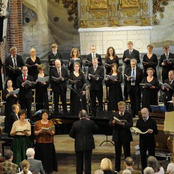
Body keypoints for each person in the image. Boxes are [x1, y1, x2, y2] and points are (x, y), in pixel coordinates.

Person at [69, 110, 98, 174]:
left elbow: (71, 134)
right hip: (88, 144)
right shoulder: (91, 123)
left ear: (79, 116)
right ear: (87, 115)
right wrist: (89, 120)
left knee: (79, 161)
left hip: (79, 144)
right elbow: (96, 129)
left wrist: (77, 137)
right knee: (88, 160)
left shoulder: (75, 124)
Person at [109, 101, 133, 172]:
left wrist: (124, 124)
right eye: (120, 108)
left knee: (127, 153)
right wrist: (113, 123)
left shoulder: (128, 114)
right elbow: (109, 123)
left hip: (126, 136)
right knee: (117, 153)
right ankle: (117, 169)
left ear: (125, 107)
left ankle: (128, 168)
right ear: (118, 108)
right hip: (117, 136)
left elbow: (131, 123)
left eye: (123, 108)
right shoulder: (114, 114)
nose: (121, 109)